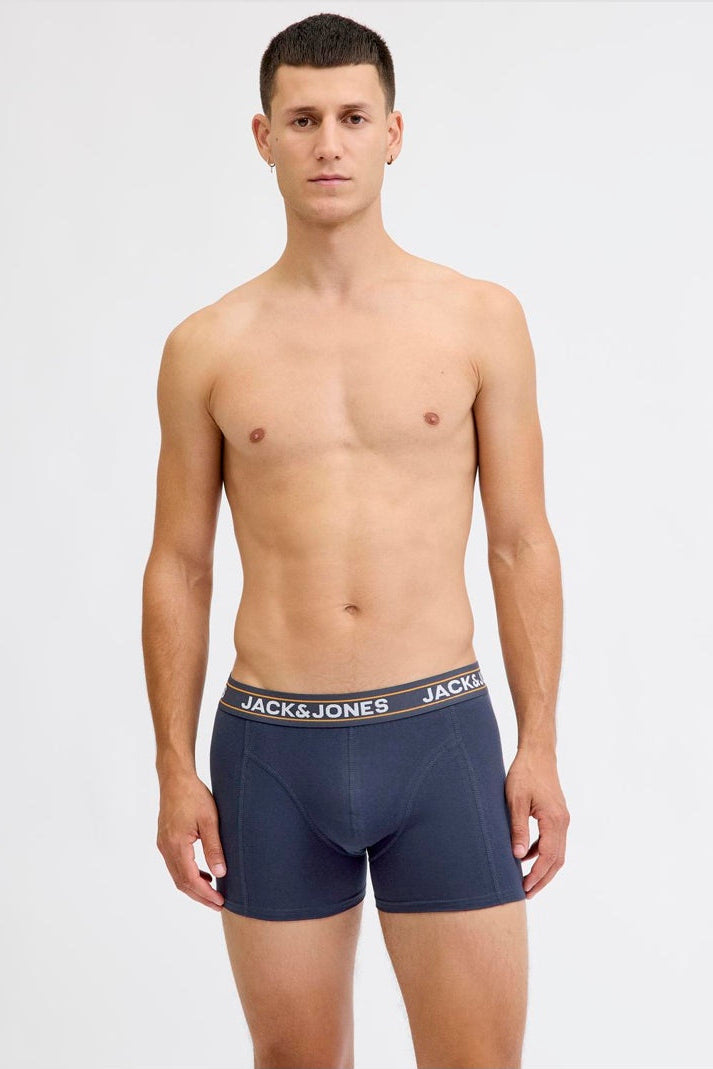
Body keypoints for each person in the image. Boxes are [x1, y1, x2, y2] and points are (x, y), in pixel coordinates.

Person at [141, 12, 570, 1069]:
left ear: (392, 133)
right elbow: (179, 565)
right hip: (268, 749)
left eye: (350, 117)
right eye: (302, 120)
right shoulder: (207, 345)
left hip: (438, 738)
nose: (327, 143)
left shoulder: (477, 319)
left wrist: (539, 743)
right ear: (263, 137)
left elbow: (519, 543)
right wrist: (172, 768)